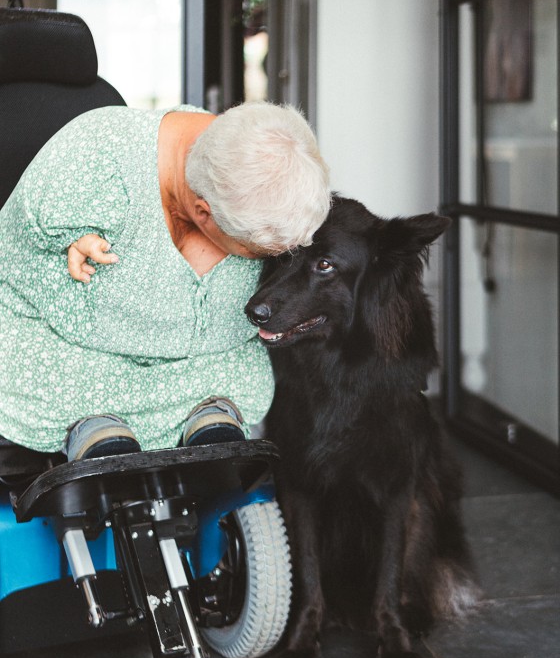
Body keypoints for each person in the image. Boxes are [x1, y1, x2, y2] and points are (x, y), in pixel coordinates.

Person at [0, 101, 330, 460]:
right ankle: (94, 428)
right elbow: (21, 241)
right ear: (203, 212)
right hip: (75, 369)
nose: (265, 259)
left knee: (223, 424)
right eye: (255, 251)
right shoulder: (95, 159)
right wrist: (73, 238)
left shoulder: (261, 170)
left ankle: (208, 418)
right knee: (73, 405)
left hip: (207, 376)